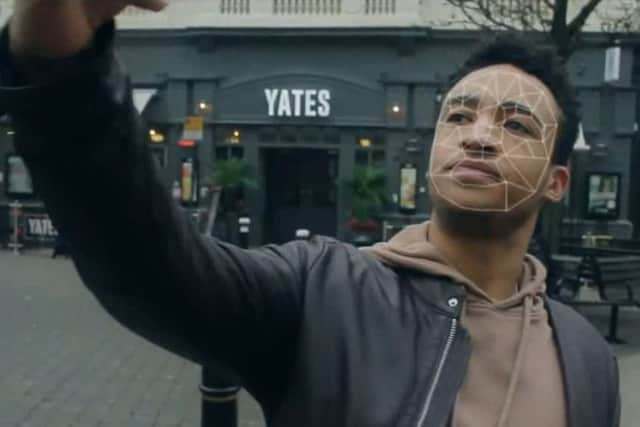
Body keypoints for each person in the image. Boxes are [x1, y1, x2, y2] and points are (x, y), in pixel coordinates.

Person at [0, 2, 619, 427]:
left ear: (558, 182)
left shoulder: (585, 355)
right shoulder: (323, 293)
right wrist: (61, 63)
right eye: (459, 116)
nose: (478, 136)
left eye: (514, 124)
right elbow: (153, 270)